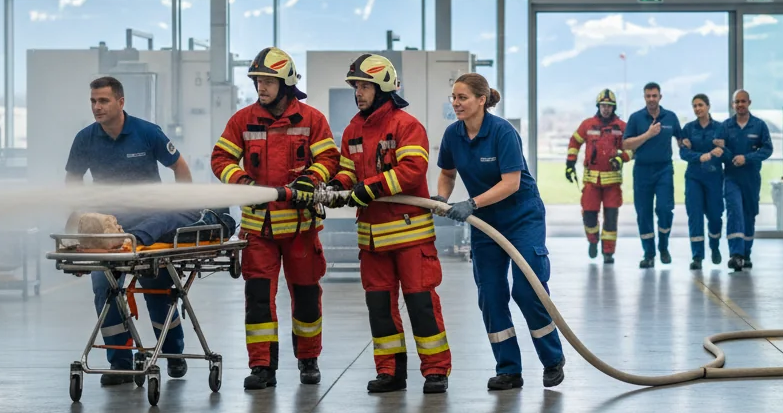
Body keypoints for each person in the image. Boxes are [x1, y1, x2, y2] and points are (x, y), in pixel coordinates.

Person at [210, 47, 339, 390]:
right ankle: (262, 367)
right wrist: (244, 184)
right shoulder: (243, 120)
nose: (261, 87)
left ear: (286, 83)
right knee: (257, 300)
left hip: (301, 228)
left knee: (307, 297)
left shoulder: (311, 119)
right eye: (257, 81)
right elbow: (221, 158)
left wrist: (309, 179)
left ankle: (308, 360)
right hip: (258, 230)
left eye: (267, 81)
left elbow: (329, 158)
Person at [328, 54, 451, 395]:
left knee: (421, 306)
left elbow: (412, 170)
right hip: (372, 241)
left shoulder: (406, 125)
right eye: (356, 87)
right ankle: (391, 372)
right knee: (380, 310)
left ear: (382, 87)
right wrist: (337, 186)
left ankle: (436, 371)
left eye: (365, 87)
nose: (358, 93)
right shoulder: (353, 130)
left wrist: (368, 188)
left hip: (410, 237)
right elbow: (347, 170)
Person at [436, 73, 565, 392]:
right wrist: (441, 198)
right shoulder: (453, 135)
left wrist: (471, 203)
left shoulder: (503, 132)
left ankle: (552, 360)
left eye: (462, 97)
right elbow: (447, 173)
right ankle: (508, 369)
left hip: (522, 216)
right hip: (485, 221)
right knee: (490, 294)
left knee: (527, 288)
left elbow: (511, 183)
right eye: (453, 97)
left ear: (482, 100)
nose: (456, 103)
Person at [65, 76, 193, 387]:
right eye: (93, 101)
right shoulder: (85, 139)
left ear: (121, 102)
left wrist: (181, 210)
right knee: (103, 288)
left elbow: (180, 168)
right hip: (109, 228)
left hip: (151, 226)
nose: (97, 107)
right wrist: (77, 222)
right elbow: (72, 180)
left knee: (159, 289)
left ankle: (172, 352)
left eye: (104, 101)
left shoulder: (147, 132)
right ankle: (119, 361)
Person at [565, 88, 630, 264]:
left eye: (609, 106)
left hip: (612, 183)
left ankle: (608, 253)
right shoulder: (588, 124)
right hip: (591, 181)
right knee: (589, 216)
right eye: (603, 105)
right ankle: (593, 241)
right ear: (598, 106)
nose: (606, 109)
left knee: (610, 220)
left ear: (613, 107)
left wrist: (621, 157)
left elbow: (631, 149)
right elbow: (575, 141)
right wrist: (570, 163)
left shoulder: (622, 127)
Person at [622, 82, 683, 268]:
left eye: (654, 96)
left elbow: (682, 139)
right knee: (643, 213)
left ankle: (663, 247)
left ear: (660, 97)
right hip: (642, 170)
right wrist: (647, 134)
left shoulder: (670, 117)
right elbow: (626, 145)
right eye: (648, 96)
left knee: (665, 209)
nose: (651, 99)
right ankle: (649, 253)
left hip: (664, 169)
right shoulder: (636, 118)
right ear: (644, 97)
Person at [720, 89, 773, 271]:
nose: (740, 105)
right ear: (732, 104)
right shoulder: (726, 126)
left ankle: (746, 253)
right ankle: (736, 254)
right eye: (737, 102)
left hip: (751, 177)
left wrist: (747, 158)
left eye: (743, 101)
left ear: (749, 102)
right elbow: (720, 148)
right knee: (734, 211)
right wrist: (732, 157)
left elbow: (767, 149)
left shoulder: (759, 126)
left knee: (749, 214)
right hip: (732, 177)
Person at [679, 94, 726, 270]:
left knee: (715, 216)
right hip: (694, 178)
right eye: (694, 106)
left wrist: (722, 148)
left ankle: (714, 246)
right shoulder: (688, 129)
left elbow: (726, 152)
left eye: (700, 105)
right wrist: (701, 156)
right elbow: (683, 153)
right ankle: (697, 256)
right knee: (695, 215)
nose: (697, 108)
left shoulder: (720, 128)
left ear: (708, 106)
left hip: (714, 177)